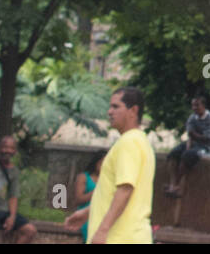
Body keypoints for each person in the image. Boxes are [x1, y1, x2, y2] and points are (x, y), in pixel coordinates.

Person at [63, 87, 155, 244]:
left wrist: (103, 230)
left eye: (116, 106)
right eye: (110, 106)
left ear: (133, 110)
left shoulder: (129, 142)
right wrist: (87, 212)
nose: (109, 112)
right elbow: (112, 193)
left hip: (119, 237)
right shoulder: (141, 141)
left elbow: (125, 189)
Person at [165, 95, 210, 197]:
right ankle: (173, 183)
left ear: (203, 106)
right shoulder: (192, 117)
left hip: (207, 147)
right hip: (194, 143)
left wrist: (194, 135)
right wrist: (188, 146)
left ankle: (177, 184)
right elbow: (190, 135)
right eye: (193, 105)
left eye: (197, 105)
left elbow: (208, 138)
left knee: (188, 156)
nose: (194, 108)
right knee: (174, 154)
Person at [73, 151, 105, 243]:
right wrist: (96, 191)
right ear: (96, 162)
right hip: (86, 215)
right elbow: (78, 199)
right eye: (101, 163)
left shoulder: (110, 180)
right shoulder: (84, 177)